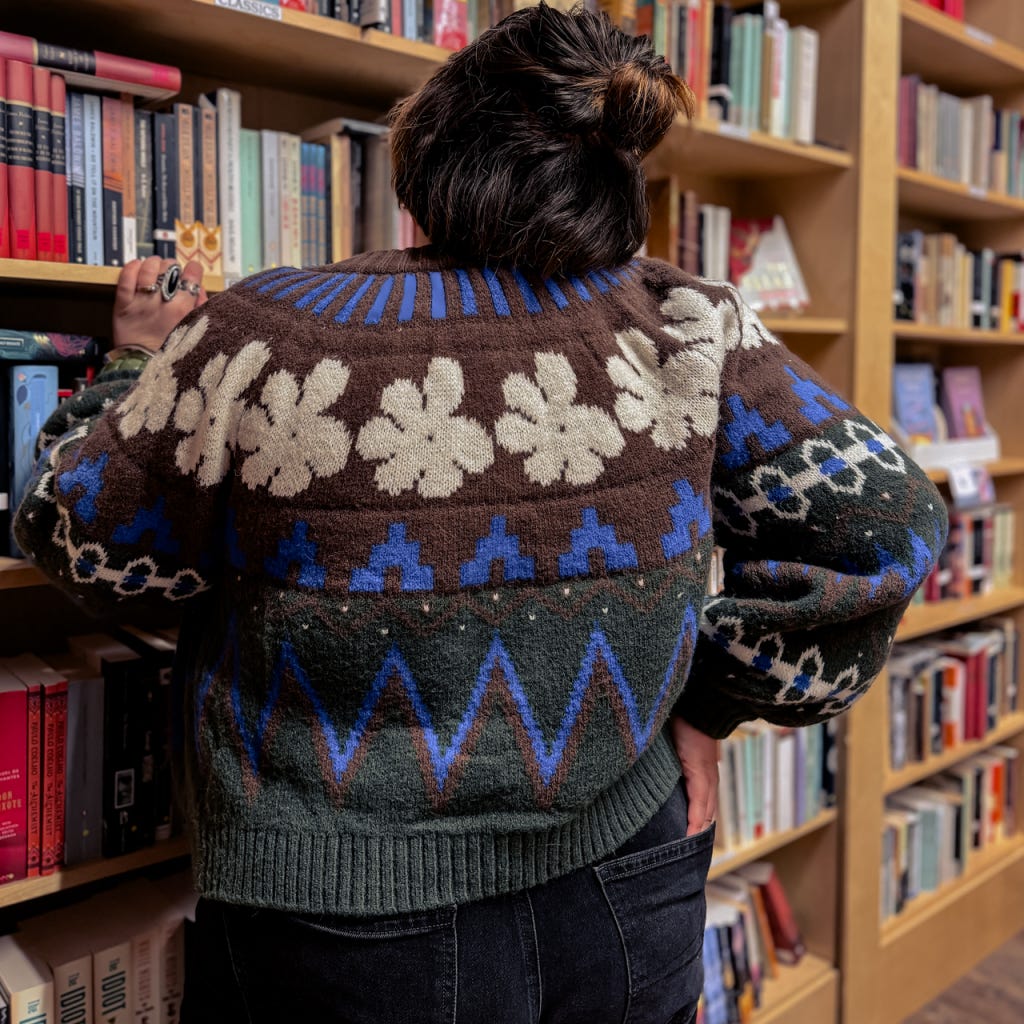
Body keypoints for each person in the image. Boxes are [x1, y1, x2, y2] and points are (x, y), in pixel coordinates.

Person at [14, 5, 947, 1023]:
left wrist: (135, 364)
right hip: (632, 874)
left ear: (428, 158)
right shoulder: (686, 320)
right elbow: (887, 524)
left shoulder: (263, 332)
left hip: (349, 920)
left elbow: (79, 536)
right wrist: (712, 702)